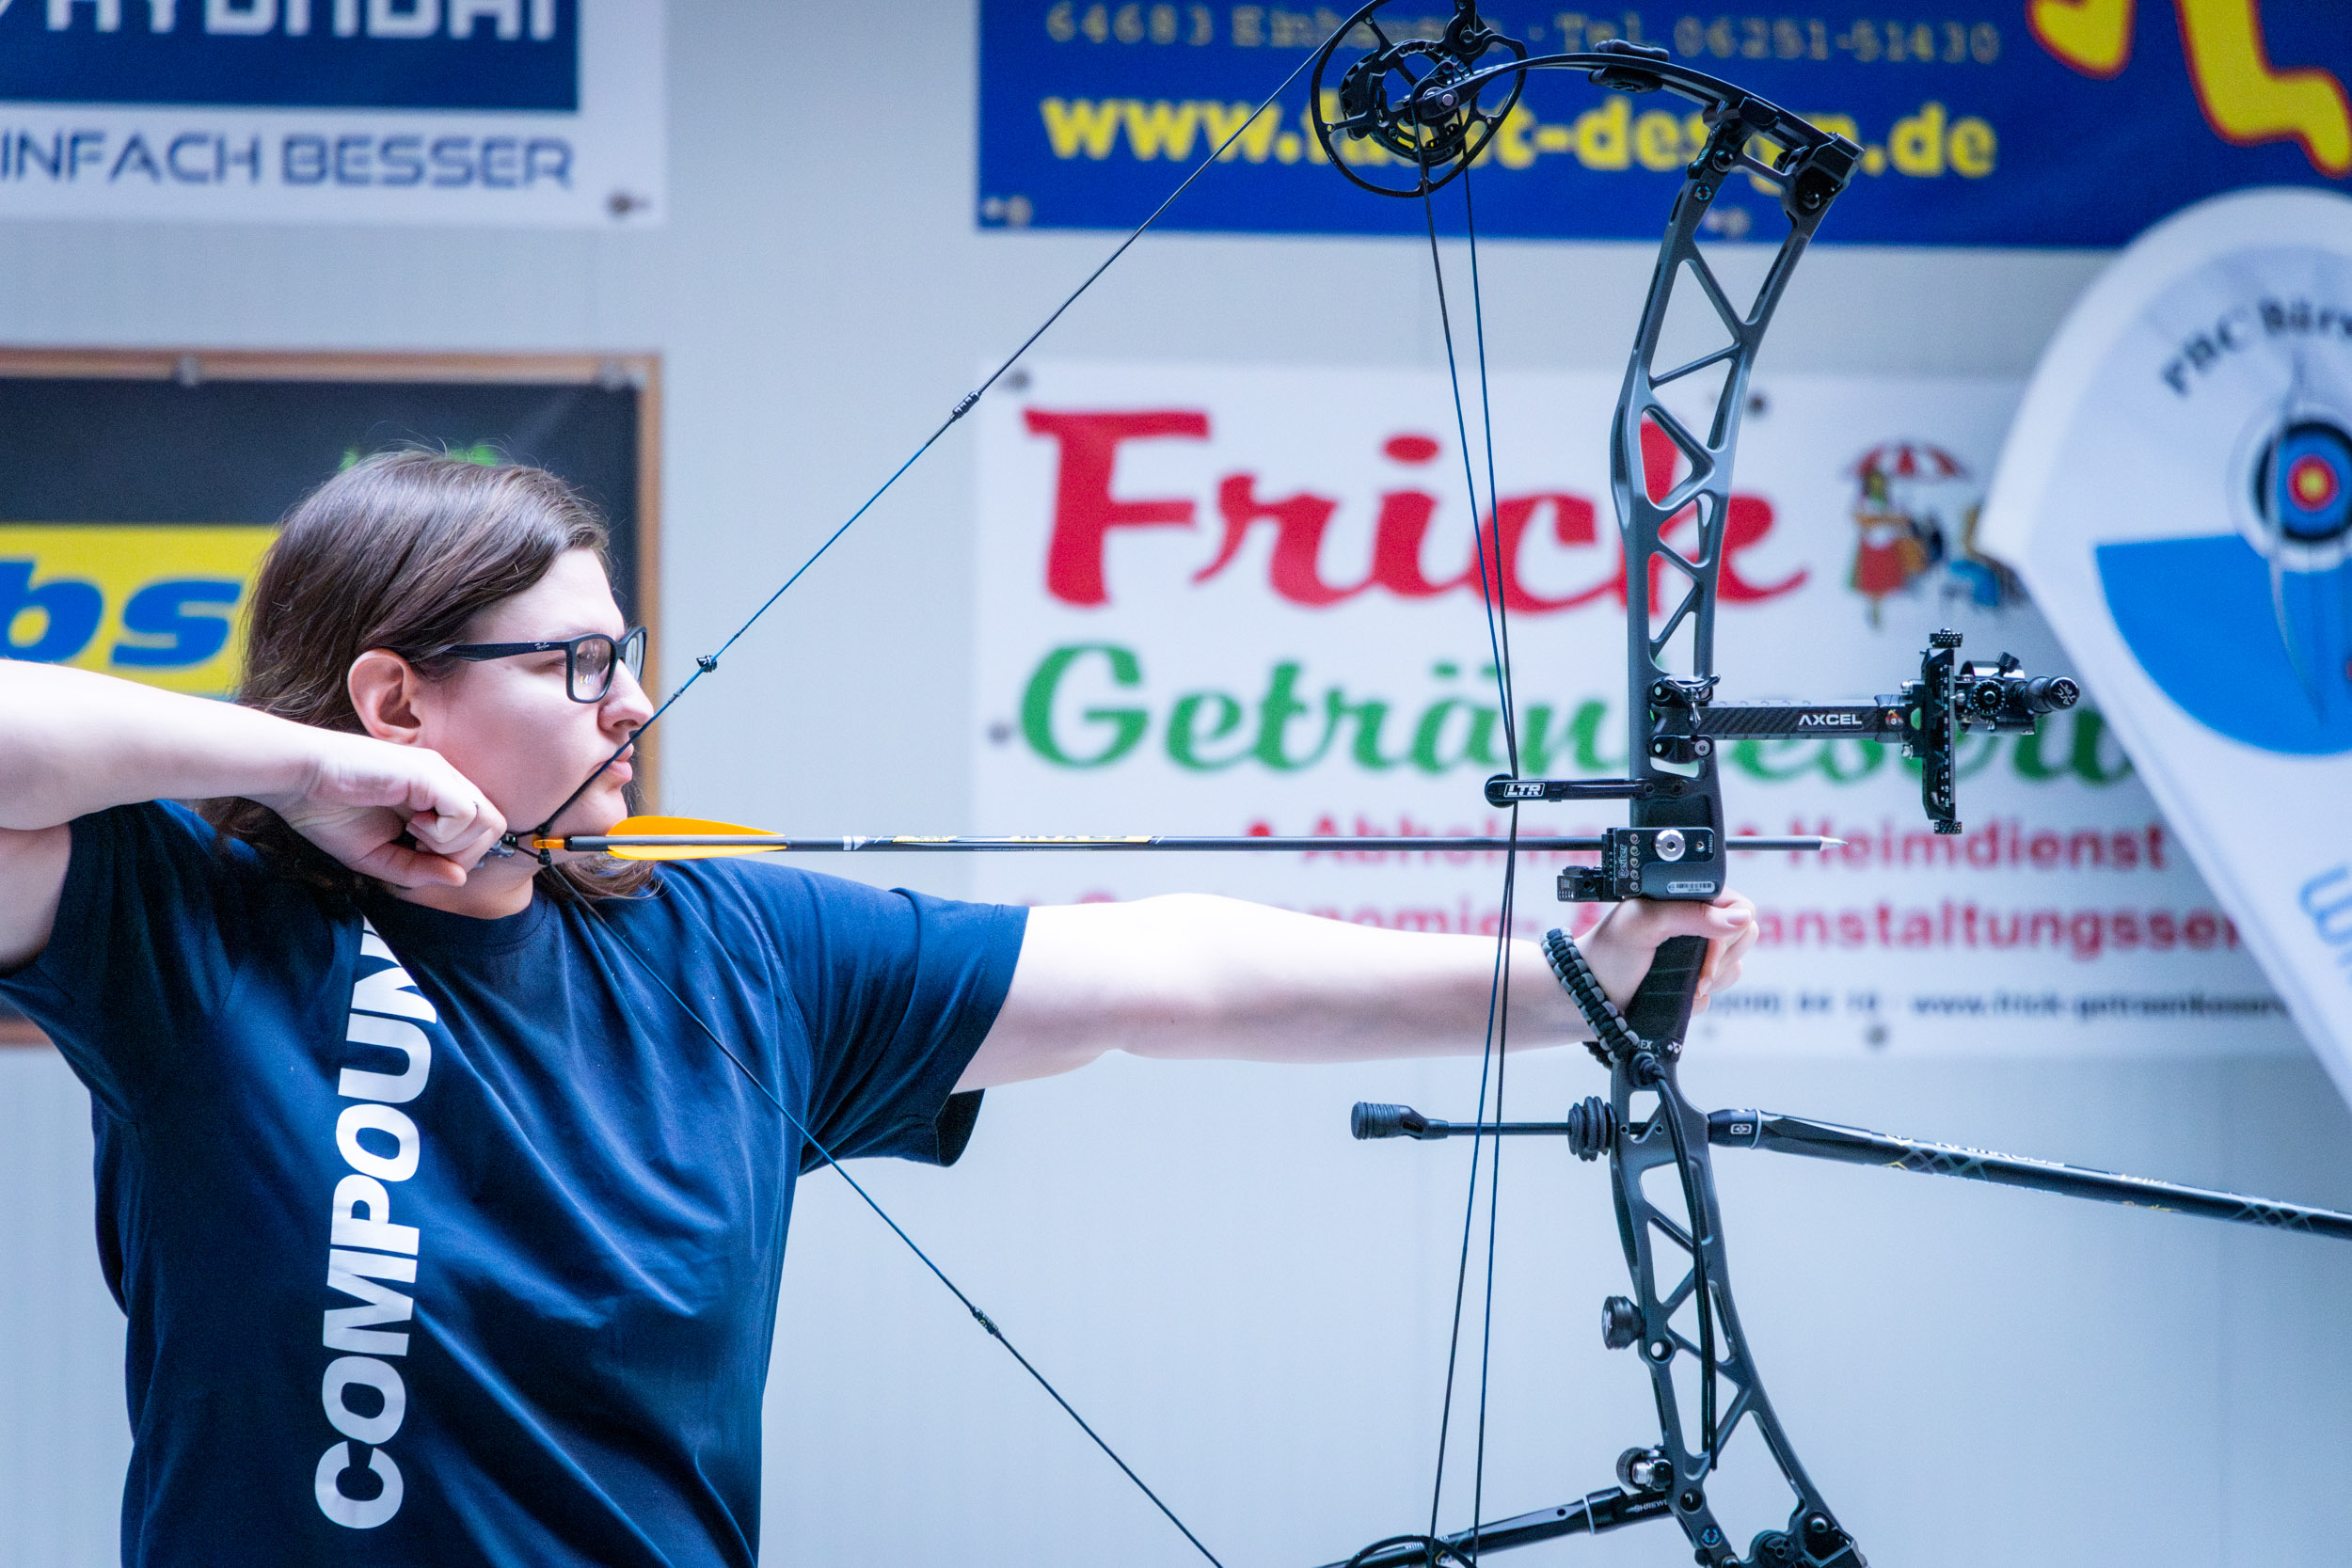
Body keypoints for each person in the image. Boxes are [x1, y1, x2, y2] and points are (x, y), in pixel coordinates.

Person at [0, 452, 1756, 1567]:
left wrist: (1566, 989)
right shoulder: (189, 925)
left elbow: (1165, 968)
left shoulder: (732, 950)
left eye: (628, 655)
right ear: (397, 695)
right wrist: (305, 767)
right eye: (579, 663)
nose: (631, 706)